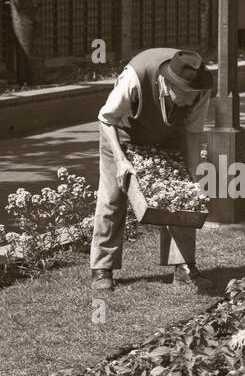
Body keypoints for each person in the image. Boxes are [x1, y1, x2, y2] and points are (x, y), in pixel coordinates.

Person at [90, 47, 214, 293]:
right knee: (112, 198)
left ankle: (184, 268)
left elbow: (193, 131)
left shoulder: (200, 87)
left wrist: (193, 173)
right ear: (167, 85)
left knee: (183, 197)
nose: (191, 100)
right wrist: (121, 160)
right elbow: (106, 119)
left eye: (194, 94)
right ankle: (102, 268)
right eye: (186, 95)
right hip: (121, 134)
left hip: (167, 137)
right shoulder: (135, 77)